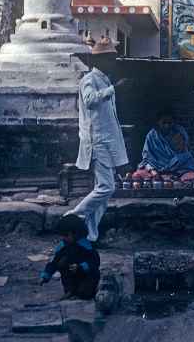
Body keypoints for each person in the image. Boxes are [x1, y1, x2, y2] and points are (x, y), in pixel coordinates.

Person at [71, 36, 128, 242]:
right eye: (110, 58)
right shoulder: (89, 80)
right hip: (97, 142)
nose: (113, 62)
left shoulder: (104, 80)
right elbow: (89, 101)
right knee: (107, 188)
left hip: (106, 141)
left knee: (103, 194)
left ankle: (90, 235)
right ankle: (72, 217)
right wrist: (114, 90)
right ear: (100, 61)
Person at [40, 214, 100, 300]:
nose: (63, 238)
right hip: (71, 276)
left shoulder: (86, 246)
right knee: (62, 262)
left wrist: (81, 267)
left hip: (87, 276)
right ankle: (70, 290)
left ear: (76, 234)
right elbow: (54, 262)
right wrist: (46, 275)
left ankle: (87, 291)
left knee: (84, 293)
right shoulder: (62, 246)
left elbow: (95, 262)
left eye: (66, 235)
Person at [132, 112, 194, 181]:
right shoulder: (152, 135)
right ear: (158, 122)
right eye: (164, 123)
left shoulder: (179, 132)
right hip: (156, 170)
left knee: (192, 177)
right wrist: (153, 171)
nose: (167, 126)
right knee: (136, 176)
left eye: (169, 123)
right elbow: (146, 159)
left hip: (179, 170)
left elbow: (185, 155)